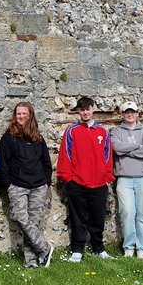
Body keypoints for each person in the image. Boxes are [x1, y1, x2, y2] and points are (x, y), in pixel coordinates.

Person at [0, 101, 54, 268]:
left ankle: (31, 261)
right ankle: (44, 248)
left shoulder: (38, 137)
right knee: (22, 219)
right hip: (17, 186)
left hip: (38, 186)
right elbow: (3, 164)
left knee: (34, 223)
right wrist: (8, 184)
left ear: (30, 115)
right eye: (18, 113)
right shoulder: (8, 137)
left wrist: (46, 181)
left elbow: (46, 162)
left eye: (24, 113)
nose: (20, 116)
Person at [58, 96, 114, 262]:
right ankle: (77, 249)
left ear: (93, 109)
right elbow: (65, 154)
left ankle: (98, 248)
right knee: (78, 217)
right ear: (78, 111)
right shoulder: (71, 131)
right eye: (82, 110)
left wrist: (107, 176)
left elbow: (108, 156)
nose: (85, 112)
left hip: (98, 183)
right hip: (77, 183)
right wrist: (68, 177)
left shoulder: (102, 132)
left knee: (98, 217)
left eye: (88, 109)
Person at [110, 101, 143, 258]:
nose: (130, 114)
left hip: (142, 177)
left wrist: (127, 150)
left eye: (133, 112)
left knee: (142, 214)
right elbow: (116, 148)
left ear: (137, 113)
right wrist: (137, 146)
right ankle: (129, 246)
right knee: (127, 213)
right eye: (127, 112)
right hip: (124, 178)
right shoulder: (116, 132)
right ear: (122, 114)